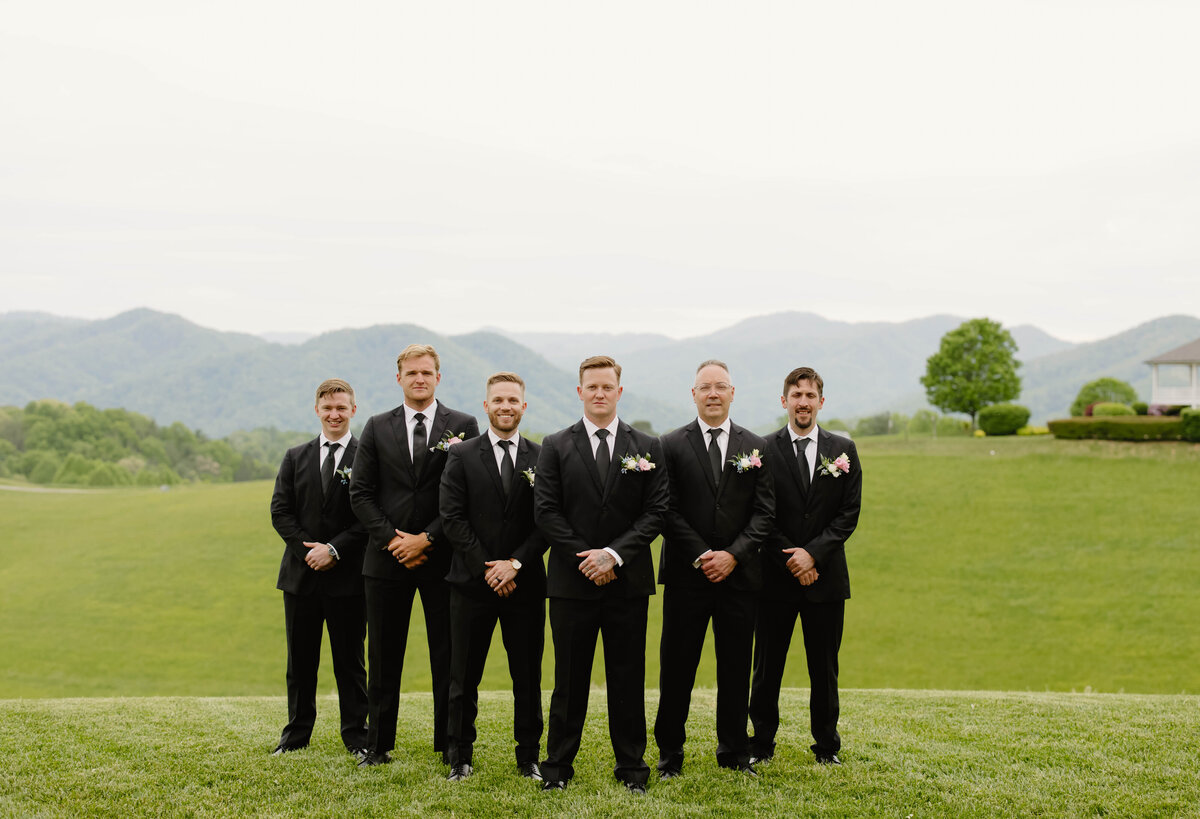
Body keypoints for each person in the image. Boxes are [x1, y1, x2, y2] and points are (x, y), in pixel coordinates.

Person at [533, 355, 668, 794]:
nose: (599, 393)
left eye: (607, 386)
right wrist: (588, 558)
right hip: (572, 583)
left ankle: (632, 768)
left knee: (627, 677)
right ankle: (556, 768)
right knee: (568, 679)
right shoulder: (554, 445)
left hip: (628, 583)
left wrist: (613, 555)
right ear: (579, 391)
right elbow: (546, 512)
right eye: (591, 386)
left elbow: (656, 513)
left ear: (619, 391)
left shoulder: (648, 447)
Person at [349, 344, 480, 767]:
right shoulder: (375, 426)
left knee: (449, 656)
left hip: (444, 560)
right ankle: (377, 745)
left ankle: (450, 745)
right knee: (384, 655)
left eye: (427, 372)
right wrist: (395, 541)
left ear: (438, 377)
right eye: (411, 373)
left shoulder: (463, 424)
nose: (419, 379)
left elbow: (467, 494)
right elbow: (361, 493)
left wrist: (426, 538)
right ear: (399, 378)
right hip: (385, 561)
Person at [653, 360, 775, 778]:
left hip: (740, 578)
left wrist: (734, 555)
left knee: (736, 667)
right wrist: (704, 554)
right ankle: (670, 754)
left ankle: (734, 753)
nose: (712, 394)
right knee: (678, 667)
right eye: (705, 387)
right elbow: (664, 508)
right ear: (693, 394)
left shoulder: (755, 446)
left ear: (732, 392)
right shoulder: (669, 444)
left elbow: (764, 513)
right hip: (689, 576)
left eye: (720, 386)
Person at [749, 366, 862, 766]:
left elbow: (848, 514)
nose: (803, 402)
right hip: (775, 580)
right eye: (795, 395)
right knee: (767, 667)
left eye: (810, 396)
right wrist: (793, 558)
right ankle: (761, 745)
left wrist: (813, 555)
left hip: (826, 578)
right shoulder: (761, 449)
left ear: (820, 402)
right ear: (784, 401)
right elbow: (760, 514)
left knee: (824, 669)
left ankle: (827, 747)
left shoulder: (843, 450)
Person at [439, 372, 547, 782]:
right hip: (471, 584)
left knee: (527, 677)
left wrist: (514, 564)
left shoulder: (542, 457)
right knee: (463, 676)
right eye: (498, 400)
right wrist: (488, 566)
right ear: (486, 406)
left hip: (525, 585)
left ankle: (529, 758)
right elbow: (452, 517)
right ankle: (460, 757)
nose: (505, 406)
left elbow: (547, 520)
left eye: (513, 400)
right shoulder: (462, 455)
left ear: (524, 406)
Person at [269, 378, 369, 759]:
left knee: (351, 663)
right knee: (300, 663)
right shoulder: (296, 456)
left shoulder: (366, 457)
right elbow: (280, 511)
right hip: (300, 578)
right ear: (317, 410)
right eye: (327, 408)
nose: (334, 414)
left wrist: (334, 549)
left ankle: (357, 738)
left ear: (353, 411)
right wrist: (307, 551)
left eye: (341, 408)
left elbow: (369, 518)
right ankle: (295, 736)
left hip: (348, 580)